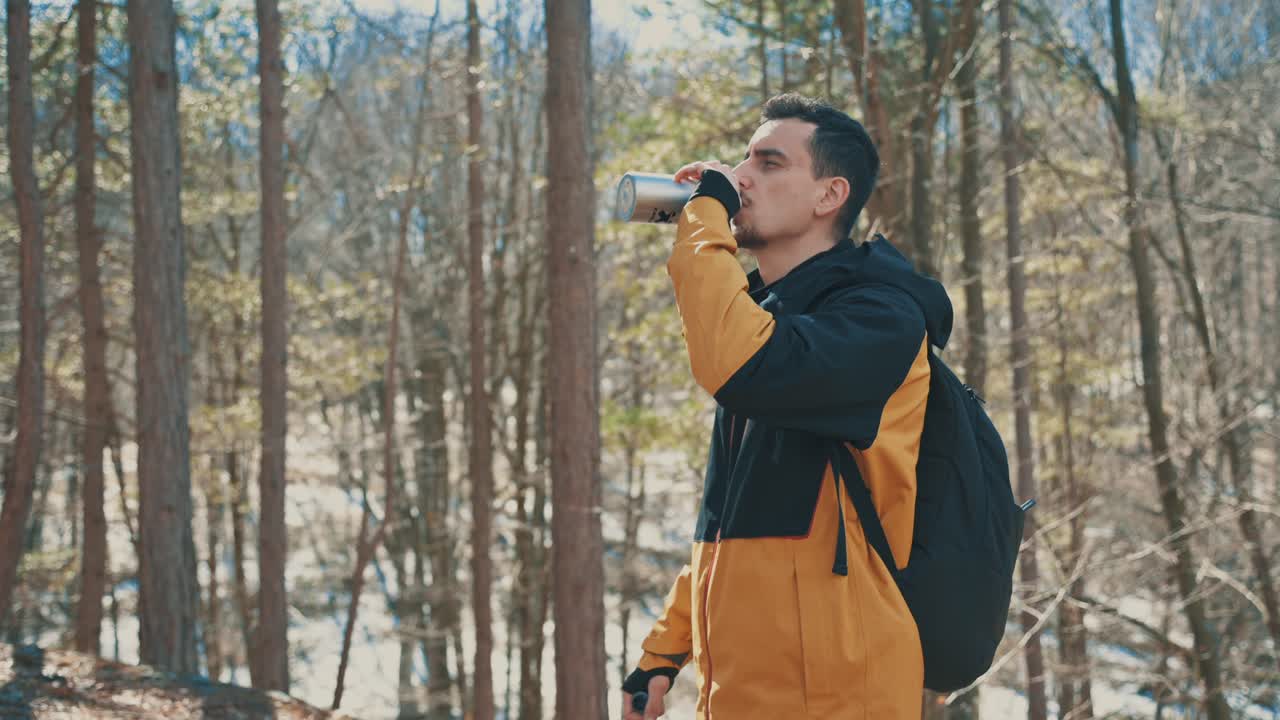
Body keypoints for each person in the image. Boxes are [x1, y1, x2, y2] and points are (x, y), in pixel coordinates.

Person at [620, 94, 954, 720]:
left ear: (830, 196)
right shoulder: (770, 323)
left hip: (841, 698)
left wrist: (705, 216)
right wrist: (663, 654)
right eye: (742, 159)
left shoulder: (879, 319)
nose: (741, 175)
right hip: (745, 697)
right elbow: (732, 527)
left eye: (769, 163)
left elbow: (734, 362)